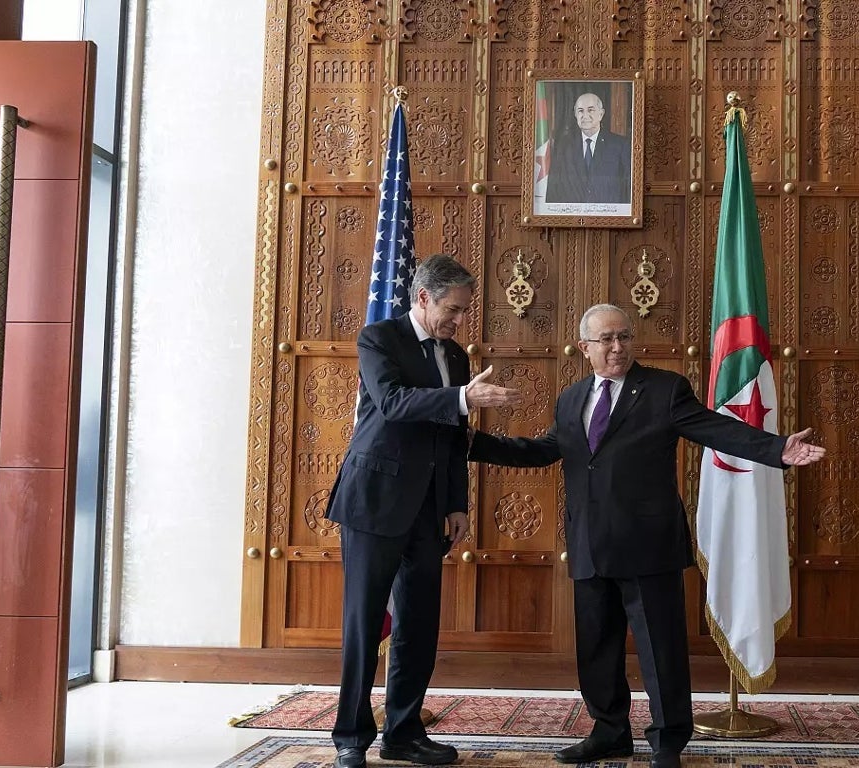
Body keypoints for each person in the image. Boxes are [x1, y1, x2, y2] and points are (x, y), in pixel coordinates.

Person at [468, 304, 825, 768]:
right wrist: (472, 443)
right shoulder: (572, 398)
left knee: (662, 651)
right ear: (585, 348)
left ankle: (667, 741)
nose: (617, 347)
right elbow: (544, 450)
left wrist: (777, 448)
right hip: (590, 544)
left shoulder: (664, 390)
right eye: (606, 340)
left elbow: (715, 429)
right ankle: (609, 731)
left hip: (648, 544)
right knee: (596, 649)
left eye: (624, 337)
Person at [327, 255, 522, 768]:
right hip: (373, 503)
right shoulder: (379, 339)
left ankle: (404, 732)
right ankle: (350, 735)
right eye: (452, 309)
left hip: (427, 510)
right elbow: (391, 403)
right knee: (365, 623)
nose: (458, 320)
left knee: (418, 623)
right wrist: (460, 397)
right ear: (423, 298)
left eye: (463, 310)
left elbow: (452, 439)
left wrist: (456, 503)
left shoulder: (456, 356)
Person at [544, 92, 631, 204]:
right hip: (573, 218)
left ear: (601, 114)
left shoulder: (620, 145)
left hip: (608, 217)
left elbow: (628, 188)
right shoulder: (563, 147)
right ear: (575, 115)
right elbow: (554, 188)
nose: (585, 116)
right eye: (580, 111)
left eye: (590, 110)